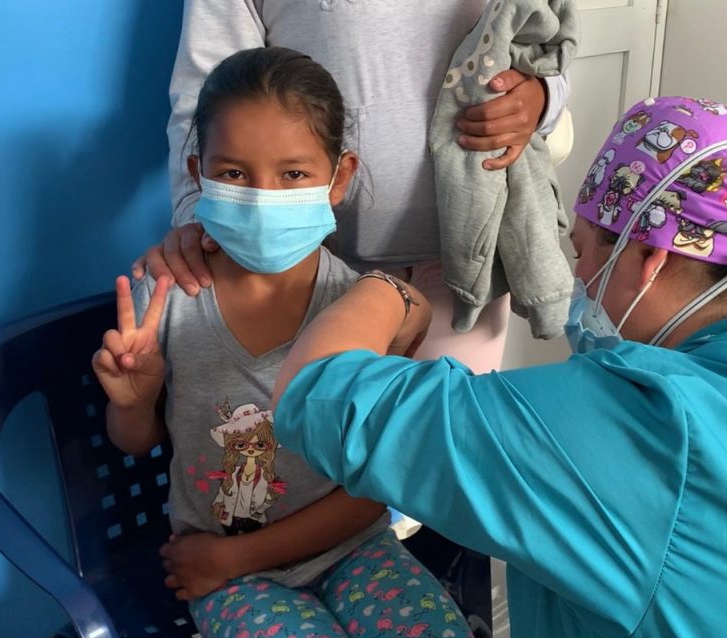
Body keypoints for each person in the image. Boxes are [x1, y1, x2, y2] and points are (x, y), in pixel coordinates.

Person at [269, 97, 727, 638]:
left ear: (651, 257)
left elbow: (315, 394)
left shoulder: (645, 423)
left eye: (584, 250)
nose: (577, 277)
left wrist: (389, 290)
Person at [92, 47, 477, 638]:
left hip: (351, 549)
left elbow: (372, 488)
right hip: (224, 575)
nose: (260, 196)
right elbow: (134, 441)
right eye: (233, 173)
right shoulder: (163, 301)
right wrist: (133, 402)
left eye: (293, 174)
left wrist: (236, 557)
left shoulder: (361, 314)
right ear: (197, 173)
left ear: (339, 178)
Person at [136, 0, 572, 376]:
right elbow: (209, 91)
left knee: (444, 433)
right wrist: (200, 216)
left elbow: (540, 43)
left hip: (467, 261)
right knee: (297, 432)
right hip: (308, 264)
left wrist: (541, 98)